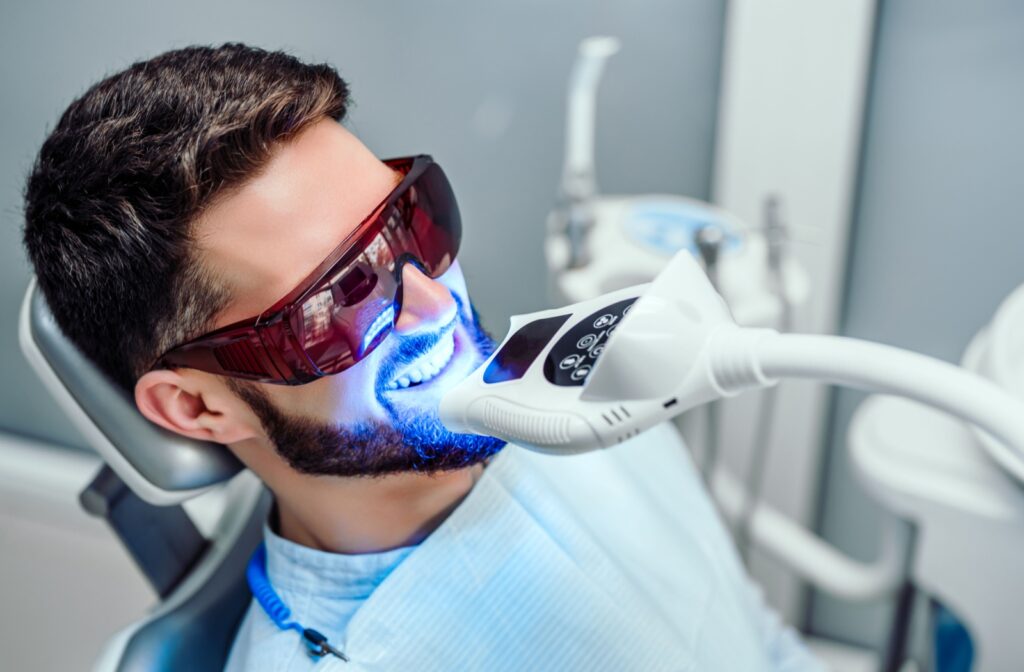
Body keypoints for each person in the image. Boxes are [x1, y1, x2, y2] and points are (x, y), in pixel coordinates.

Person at [23, 44, 823, 671]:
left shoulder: (589, 386)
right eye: (335, 301)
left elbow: (753, 637)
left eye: (413, 224)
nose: (439, 307)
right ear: (199, 406)